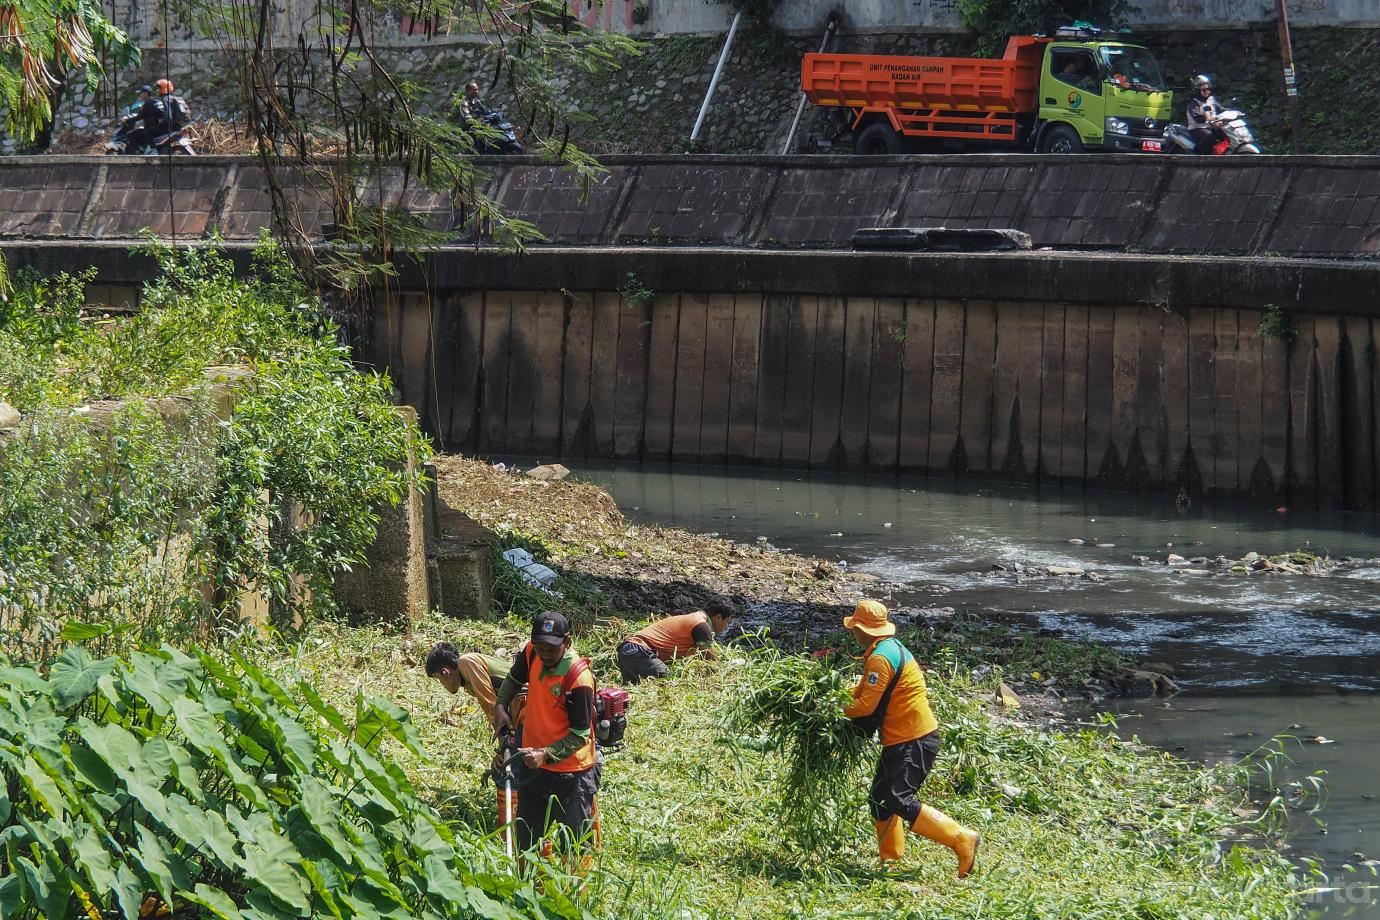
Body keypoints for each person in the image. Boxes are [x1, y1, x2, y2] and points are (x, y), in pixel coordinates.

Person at [842, 599, 980, 876]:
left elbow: (865, 707)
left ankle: (961, 837)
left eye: (854, 627)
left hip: (912, 740)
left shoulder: (881, 658)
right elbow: (866, 694)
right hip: (903, 738)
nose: (852, 633)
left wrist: (834, 706)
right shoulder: (888, 649)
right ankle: (891, 861)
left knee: (896, 798)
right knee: (880, 799)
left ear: (863, 629)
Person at [494, 611, 600, 859]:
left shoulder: (578, 679)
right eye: (541, 647)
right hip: (535, 766)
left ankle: (574, 897)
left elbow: (580, 735)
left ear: (568, 642)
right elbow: (512, 679)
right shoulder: (532, 653)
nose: (545, 654)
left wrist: (546, 754)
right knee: (527, 841)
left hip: (571, 774)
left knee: (572, 848)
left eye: (552, 649)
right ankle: (528, 892)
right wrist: (501, 706)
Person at [616, 597, 738, 683]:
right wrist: (725, 669)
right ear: (718, 617)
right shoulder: (701, 625)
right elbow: (709, 657)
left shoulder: (696, 618)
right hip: (639, 651)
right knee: (664, 678)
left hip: (628, 650)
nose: (726, 626)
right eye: (727, 622)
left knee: (633, 690)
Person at [424, 641, 527, 731]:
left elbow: (490, 705)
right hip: (519, 707)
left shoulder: (467, 662)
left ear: (445, 672)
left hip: (528, 700)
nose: (442, 685)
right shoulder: (467, 682)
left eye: (439, 679)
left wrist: (502, 739)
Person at [1186, 74, 1223, 154]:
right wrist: (1209, 118)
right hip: (1197, 129)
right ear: (1198, 91)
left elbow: (1221, 109)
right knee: (1210, 137)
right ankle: (1201, 155)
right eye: (1204, 90)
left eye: (1208, 89)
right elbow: (1198, 118)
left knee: (1224, 133)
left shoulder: (1211, 100)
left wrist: (1233, 112)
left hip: (1210, 126)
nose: (1207, 92)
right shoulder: (1194, 103)